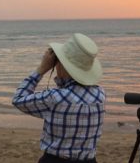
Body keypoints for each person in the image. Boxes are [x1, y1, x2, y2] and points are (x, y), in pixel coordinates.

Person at [12, 33, 105, 163]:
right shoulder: (100, 95)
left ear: (61, 65)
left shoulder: (55, 98)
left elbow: (18, 99)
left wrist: (41, 69)